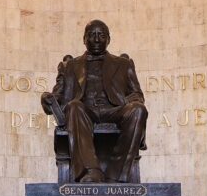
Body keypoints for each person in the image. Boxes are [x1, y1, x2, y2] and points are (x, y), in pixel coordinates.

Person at [40, 19, 147, 183]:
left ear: (108, 39)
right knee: (74, 106)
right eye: (92, 35)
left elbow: (137, 94)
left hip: (114, 110)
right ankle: (91, 171)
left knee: (138, 110)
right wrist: (47, 100)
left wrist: (128, 102)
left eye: (101, 35)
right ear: (84, 39)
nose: (97, 39)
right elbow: (58, 97)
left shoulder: (124, 64)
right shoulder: (70, 65)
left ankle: (116, 173)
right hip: (84, 111)